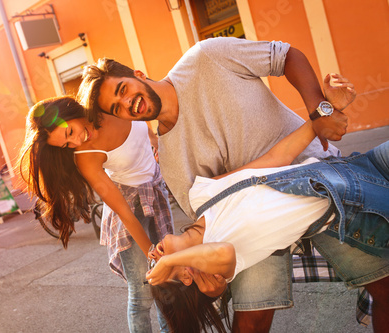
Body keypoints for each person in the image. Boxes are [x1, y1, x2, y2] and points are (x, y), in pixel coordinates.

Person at [77, 36, 388, 332]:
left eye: (123, 89)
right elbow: (214, 226)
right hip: (260, 222)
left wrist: (319, 108)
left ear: (138, 74)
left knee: (384, 286)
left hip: (321, 183)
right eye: (116, 108)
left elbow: (287, 56)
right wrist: (211, 280)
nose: (128, 103)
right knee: (250, 321)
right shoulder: (170, 161)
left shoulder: (206, 57)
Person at [143, 119, 389, 332]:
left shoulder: (201, 196)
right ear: (186, 276)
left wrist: (319, 118)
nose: (153, 253)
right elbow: (222, 252)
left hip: (353, 167)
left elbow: (275, 159)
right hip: (358, 205)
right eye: (156, 265)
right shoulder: (221, 260)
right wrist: (168, 262)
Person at [17, 96, 174, 332]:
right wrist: (152, 254)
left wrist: (155, 144)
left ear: (71, 111)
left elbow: (145, 124)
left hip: (156, 194)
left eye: (71, 131)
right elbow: (123, 212)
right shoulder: (86, 156)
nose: (76, 140)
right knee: (143, 293)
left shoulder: (110, 103)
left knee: (168, 284)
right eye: (67, 144)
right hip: (129, 211)